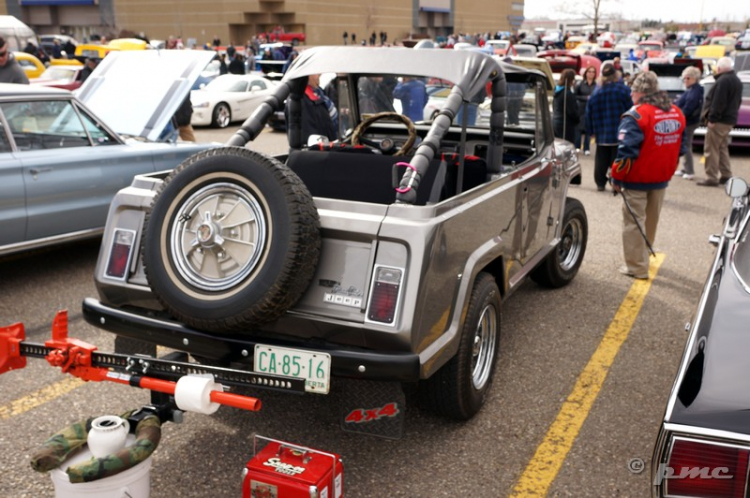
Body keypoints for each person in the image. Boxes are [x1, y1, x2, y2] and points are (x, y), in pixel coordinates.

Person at [610, 72, 687, 280]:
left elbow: (626, 152)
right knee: (651, 219)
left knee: (634, 222)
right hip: (662, 177)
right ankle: (644, 254)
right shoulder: (676, 112)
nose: (631, 95)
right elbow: (682, 145)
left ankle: (636, 267)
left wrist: (616, 178)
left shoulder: (636, 115)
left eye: (632, 91)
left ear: (638, 92)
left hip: (637, 178)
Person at [585, 63, 633, 191]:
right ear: (616, 74)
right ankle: (615, 182)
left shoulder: (596, 92)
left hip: (601, 132)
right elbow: (631, 110)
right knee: (617, 159)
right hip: (620, 130)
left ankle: (600, 183)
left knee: (601, 159)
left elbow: (588, 112)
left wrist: (590, 131)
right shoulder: (623, 90)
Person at [697, 57, 743, 186]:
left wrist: (712, 119)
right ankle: (726, 174)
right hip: (729, 120)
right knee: (722, 147)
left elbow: (718, 102)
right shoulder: (736, 81)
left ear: (720, 68)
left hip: (720, 120)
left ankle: (711, 177)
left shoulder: (723, 81)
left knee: (711, 148)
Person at [288, 73, 338, 144]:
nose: (320, 74)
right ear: (308, 75)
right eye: (316, 72)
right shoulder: (302, 100)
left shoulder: (318, 93)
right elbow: (310, 138)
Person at [674, 66, 704, 180]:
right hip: (688, 120)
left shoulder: (694, 92)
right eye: (684, 78)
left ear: (694, 78)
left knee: (687, 145)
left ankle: (690, 170)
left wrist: (678, 115)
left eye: (688, 78)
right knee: (685, 145)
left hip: (689, 122)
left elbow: (688, 108)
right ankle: (686, 168)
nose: (685, 80)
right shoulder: (691, 90)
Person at [575, 66, 597, 155]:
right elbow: (575, 96)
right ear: (586, 73)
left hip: (591, 109)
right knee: (579, 128)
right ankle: (577, 146)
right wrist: (585, 98)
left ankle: (587, 148)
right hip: (581, 108)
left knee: (588, 128)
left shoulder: (596, 85)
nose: (591, 73)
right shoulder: (580, 84)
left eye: (593, 72)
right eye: (589, 72)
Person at [553, 68, 579, 144]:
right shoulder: (567, 93)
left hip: (556, 121)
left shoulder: (557, 91)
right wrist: (577, 119)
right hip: (565, 124)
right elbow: (571, 111)